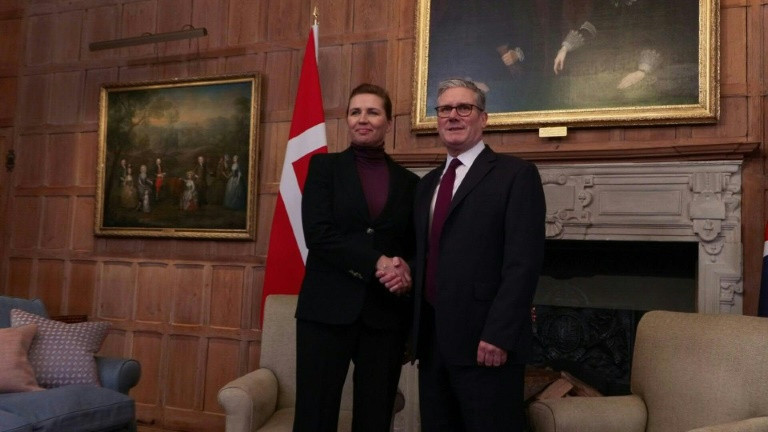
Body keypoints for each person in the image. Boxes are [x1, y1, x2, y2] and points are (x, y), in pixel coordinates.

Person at [408, 79, 545, 431]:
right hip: (433, 345)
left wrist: (500, 334)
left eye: (464, 108)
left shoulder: (516, 175)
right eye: (444, 109)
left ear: (483, 118)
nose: (453, 116)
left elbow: (523, 264)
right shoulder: (426, 185)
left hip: (486, 344)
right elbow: (429, 256)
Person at [293, 83, 419, 432]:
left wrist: (405, 271)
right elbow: (319, 235)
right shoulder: (323, 168)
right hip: (326, 311)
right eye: (355, 112)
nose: (363, 119)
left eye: (373, 112)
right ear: (348, 119)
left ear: (388, 123)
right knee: (314, 416)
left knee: (375, 416)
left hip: (384, 315)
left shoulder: (410, 183)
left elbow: (413, 248)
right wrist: (377, 261)